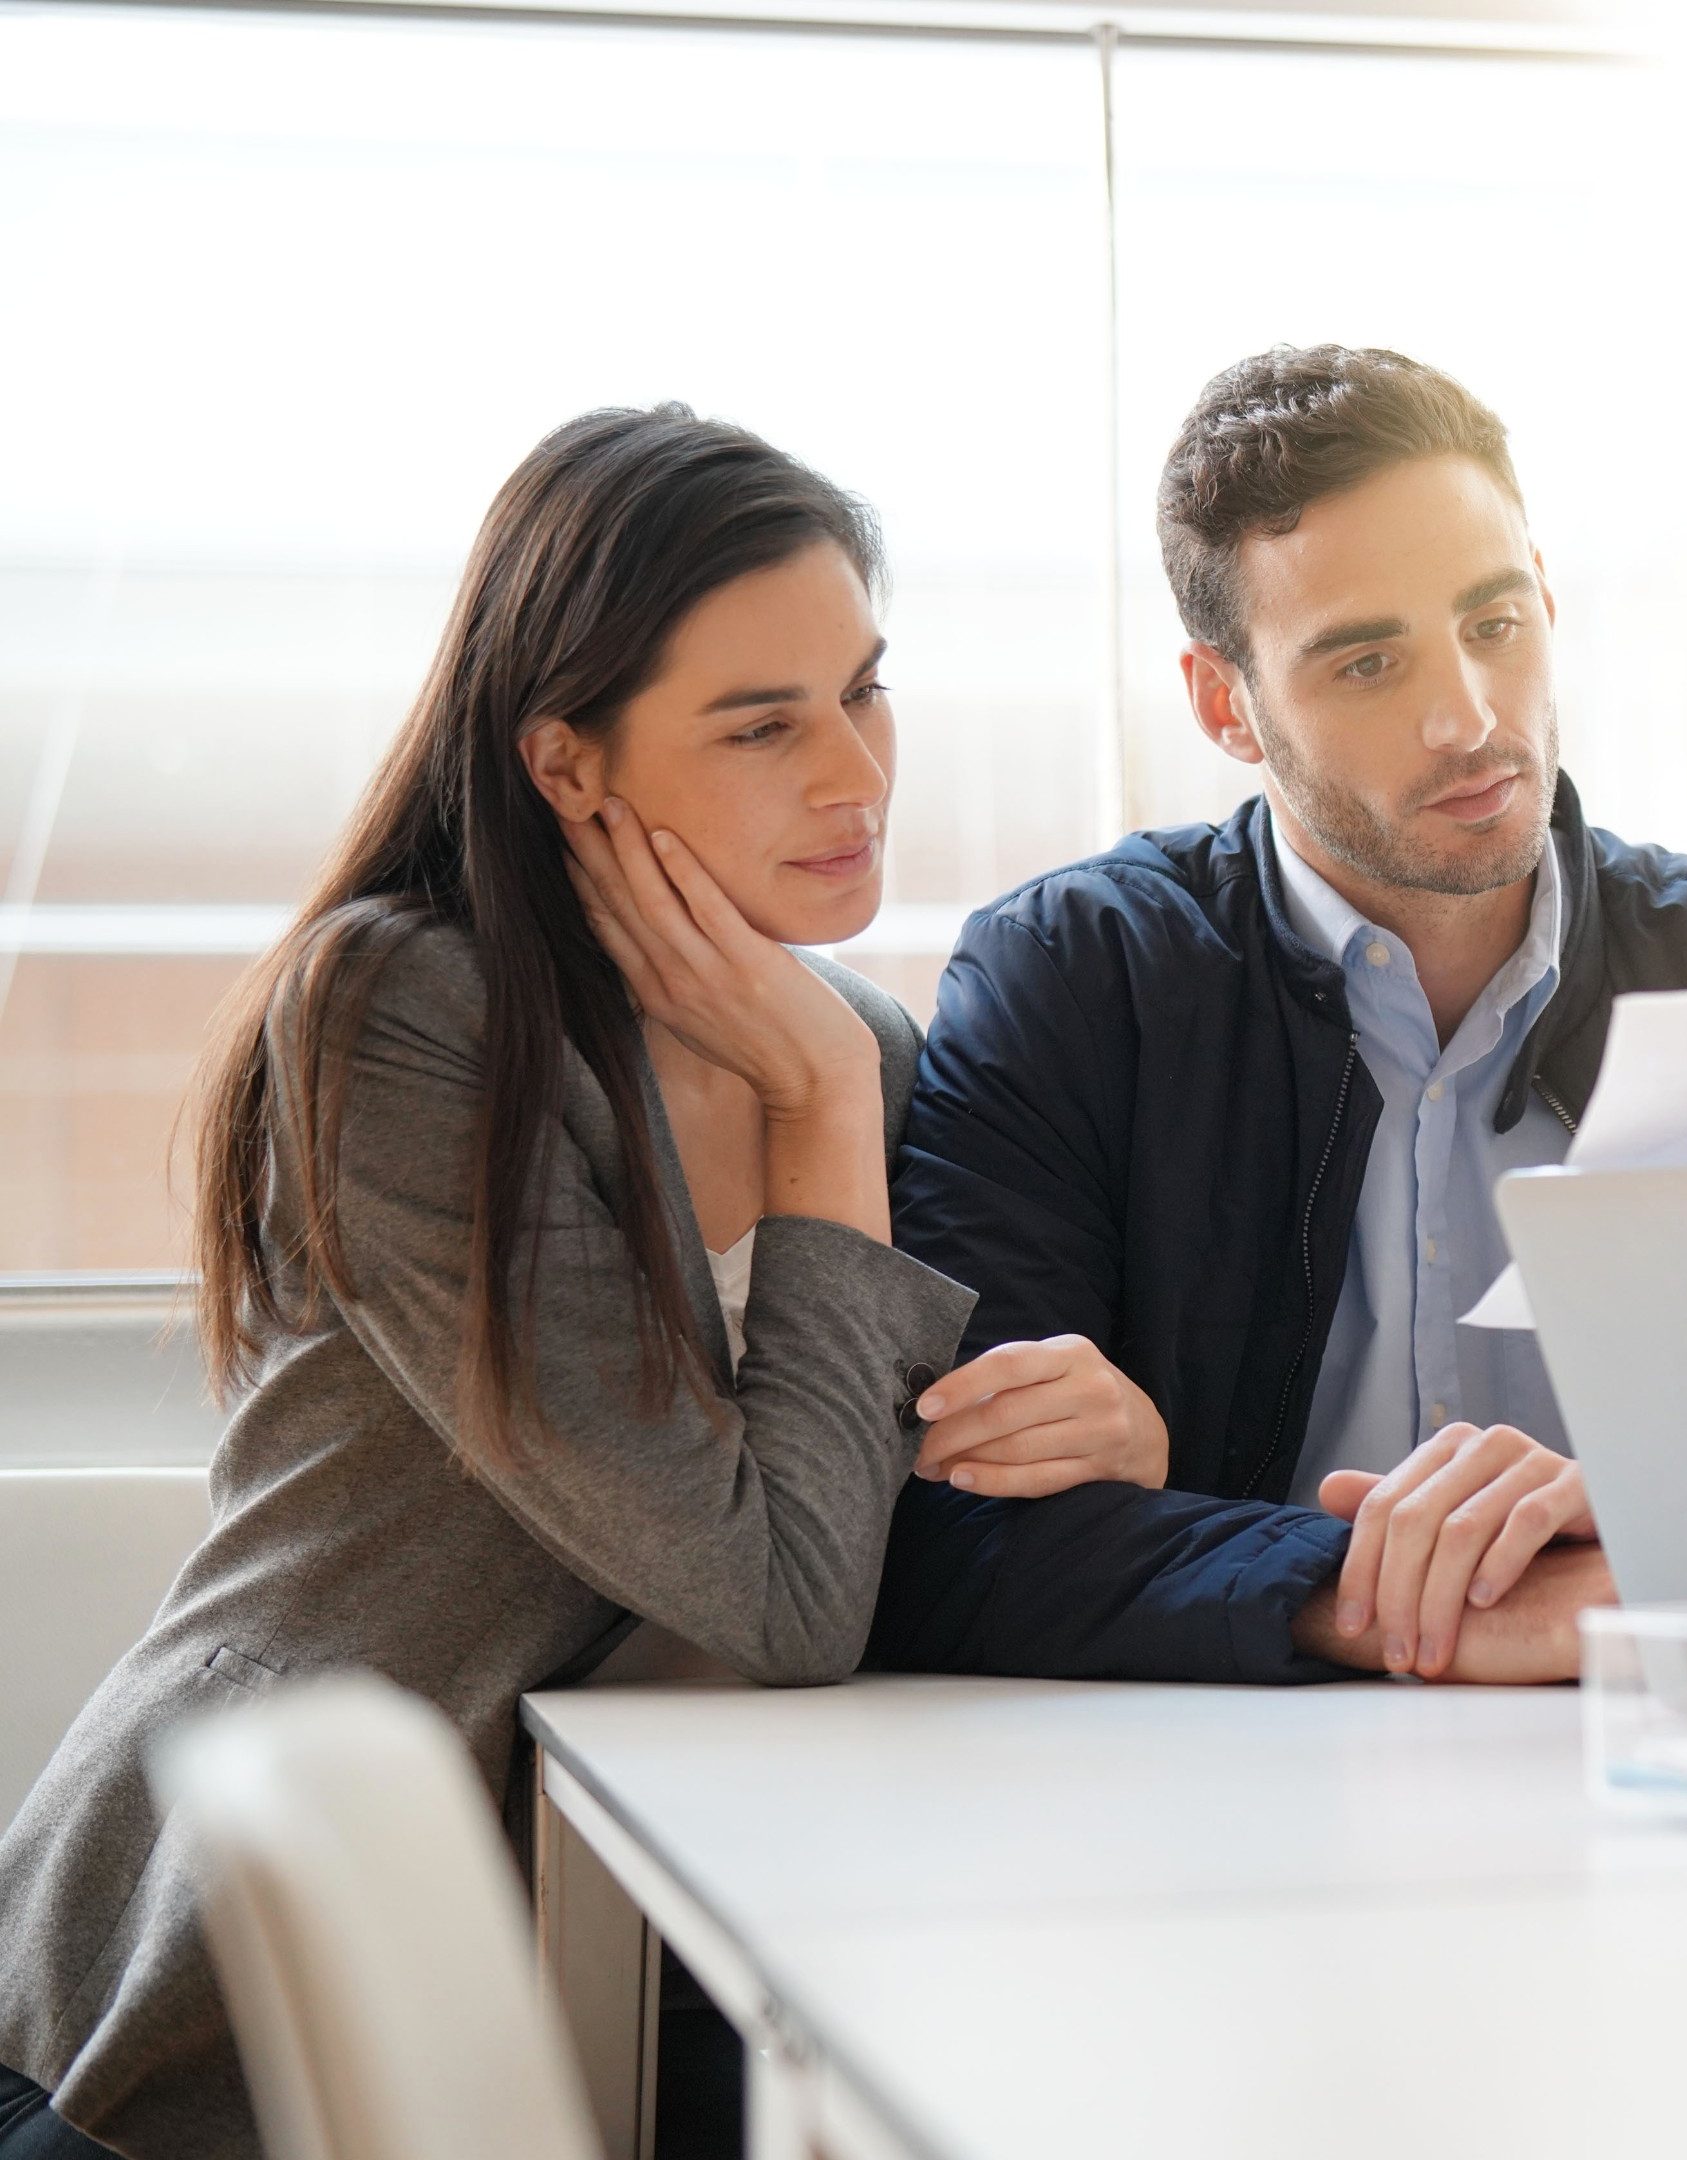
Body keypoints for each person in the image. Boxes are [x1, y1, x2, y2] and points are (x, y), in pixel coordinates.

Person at [0, 407, 973, 2160]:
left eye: (866, 689)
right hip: (235, 2006)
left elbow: (866, 1523)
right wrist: (821, 1108)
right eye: (763, 724)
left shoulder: (871, 1046)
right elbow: (780, 1595)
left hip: (645, 1928)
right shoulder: (405, 1014)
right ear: (570, 765)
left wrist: (1076, 1416)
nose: (856, 776)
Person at [865, 344, 1687, 1687]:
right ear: (1228, 703)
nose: (1466, 718)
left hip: (1677, 1748)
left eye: (1495, 627)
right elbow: (946, 1539)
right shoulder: (1075, 982)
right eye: (1367, 664)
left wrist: (1635, 1558)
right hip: (1225, 1785)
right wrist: (1380, 1601)